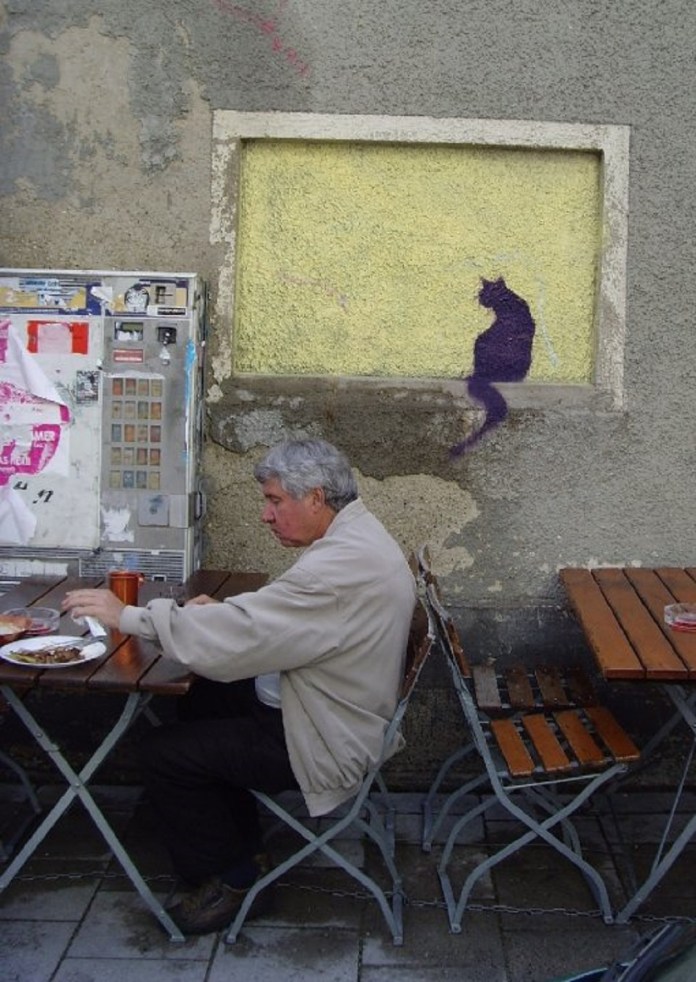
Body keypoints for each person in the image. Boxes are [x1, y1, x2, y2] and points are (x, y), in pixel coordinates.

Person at [63, 438, 416, 935]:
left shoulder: (340, 565)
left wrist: (129, 616)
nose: (266, 515)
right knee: (198, 696)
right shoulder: (356, 537)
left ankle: (233, 877)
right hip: (324, 705)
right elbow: (282, 617)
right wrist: (221, 617)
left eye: (275, 501)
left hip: (323, 735)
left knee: (164, 753)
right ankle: (241, 843)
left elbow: (268, 622)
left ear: (316, 497)